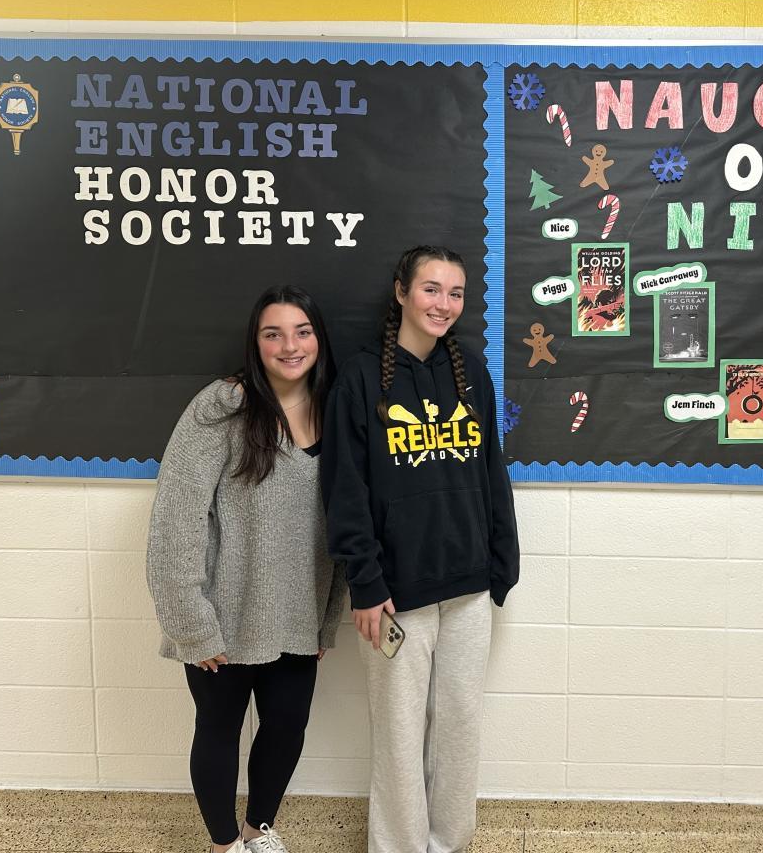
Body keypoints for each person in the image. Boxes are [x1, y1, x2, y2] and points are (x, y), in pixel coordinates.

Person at [322, 245, 519, 853]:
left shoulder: (472, 373)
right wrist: (366, 582)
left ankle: (449, 842)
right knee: (400, 732)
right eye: (431, 289)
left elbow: (491, 470)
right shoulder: (360, 378)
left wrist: (501, 562)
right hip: (395, 592)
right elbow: (344, 490)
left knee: (459, 726)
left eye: (455, 293)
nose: (443, 304)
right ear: (402, 292)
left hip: (468, 585)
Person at [148, 285, 344, 853]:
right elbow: (176, 519)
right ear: (255, 343)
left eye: (302, 331)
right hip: (221, 616)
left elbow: (344, 526)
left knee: (286, 728)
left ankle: (259, 832)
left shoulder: (337, 410)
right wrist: (191, 622)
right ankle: (224, 844)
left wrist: (327, 618)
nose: (290, 346)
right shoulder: (223, 407)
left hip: (298, 615)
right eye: (272, 333)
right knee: (219, 730)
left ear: (319, 338)